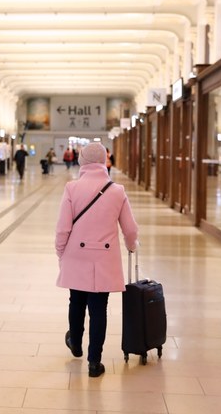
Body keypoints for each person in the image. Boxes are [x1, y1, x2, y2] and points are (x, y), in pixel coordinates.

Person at [55, 142, 139, 377]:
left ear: (82, 161)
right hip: (104, 258)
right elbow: (130, 229)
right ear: (104, 161)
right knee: (99, 308)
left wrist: (61, 252)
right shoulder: (117, 190)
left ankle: (75, 343)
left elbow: (62, 228)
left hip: (77, 256)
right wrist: (132, 246)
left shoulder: (72, 188)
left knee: (76, 301)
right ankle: (94, 362)